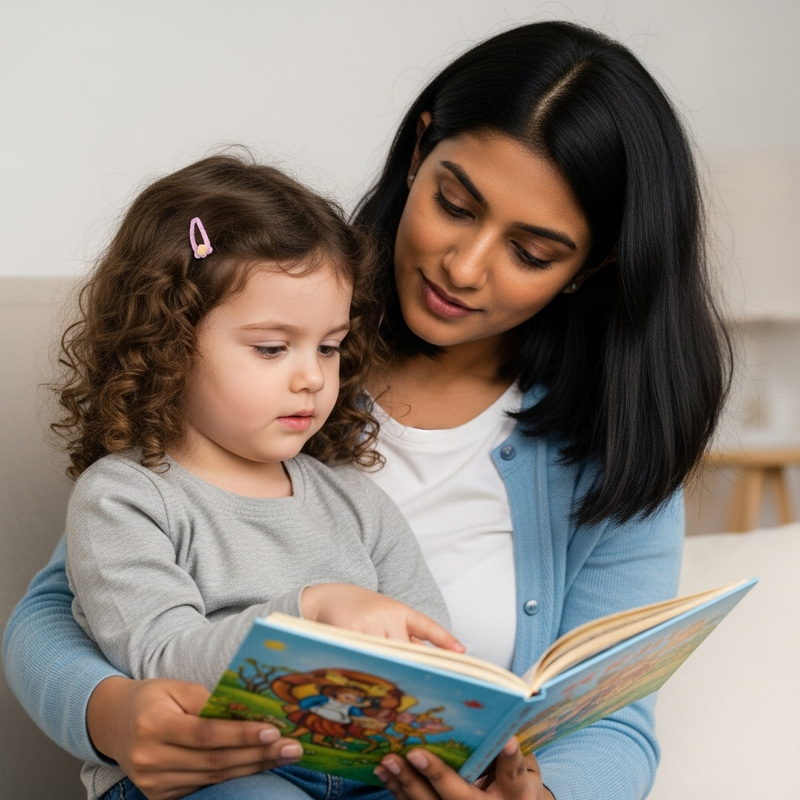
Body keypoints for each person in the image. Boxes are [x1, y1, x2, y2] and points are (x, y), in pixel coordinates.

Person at [3, 20, 731, 800]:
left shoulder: (611, 443)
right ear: (419, 150)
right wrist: (106, 710)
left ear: (596, 263)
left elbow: (609, 721)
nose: (465, 265)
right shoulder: (267, 317)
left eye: (532, 252)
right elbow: (71, 604)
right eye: (454, 203)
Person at [46, 153, 461, 800]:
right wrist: (308, 613)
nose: (312, 377)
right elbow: (159, 658)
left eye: (328, 346)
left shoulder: (355, 502)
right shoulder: (125, 499)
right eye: (272, 348)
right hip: (211, 772)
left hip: (353, 770)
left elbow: (432, 653)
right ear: (168, 341)